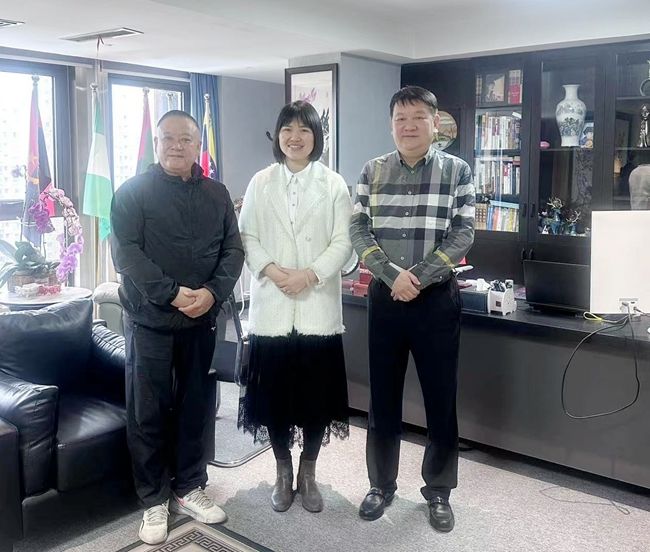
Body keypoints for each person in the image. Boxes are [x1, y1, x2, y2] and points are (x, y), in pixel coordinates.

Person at [111, 110, 244, 545]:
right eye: (167, 138)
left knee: (197, 406)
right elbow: (126, 254)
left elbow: (233, 250)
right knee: (147, 411)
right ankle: (153, 499)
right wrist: (171, 294)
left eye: (185, 139)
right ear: (156, 143)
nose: (176, 146)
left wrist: (212, 293)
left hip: (202, 319)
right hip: (149, 319)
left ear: (197, 145)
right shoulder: (132, 193)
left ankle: (189, 487)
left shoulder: (217, 194)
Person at [350, 86, 475, 532]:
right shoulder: (372, 170)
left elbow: (463, 233)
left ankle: (438, 490)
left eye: (418, 117)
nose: (408, 126)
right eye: (400, 118)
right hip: (386, 299)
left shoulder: (457, 171)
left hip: (436, 300)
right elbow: (358, 230)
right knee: (382, 398)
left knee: (441, 399)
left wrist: (417, 276)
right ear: (391, 124)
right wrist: (391, 275)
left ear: (434, 122)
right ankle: (380, 485)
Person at [238, 100, 352, 514]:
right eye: (287, 129)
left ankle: (308, 472)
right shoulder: (260, 182)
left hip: (317, 307)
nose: (295, 137)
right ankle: (283, 471)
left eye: (304, 129)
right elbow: (247, 235)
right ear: (279, 136)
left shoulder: (333, 184)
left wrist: (310, 275)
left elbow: (343, 241)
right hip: (272, 306)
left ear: (316, 137)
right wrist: (272, 270)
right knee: (275, 399)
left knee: (316, 399)